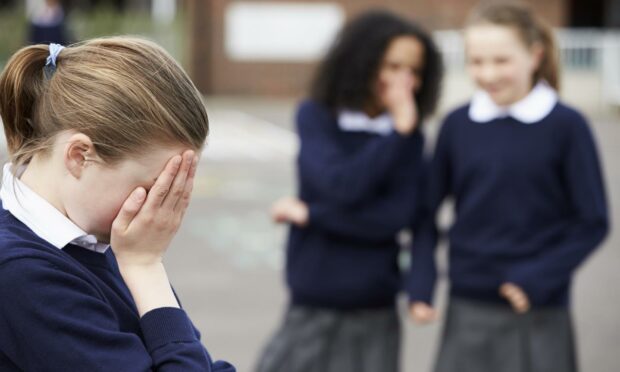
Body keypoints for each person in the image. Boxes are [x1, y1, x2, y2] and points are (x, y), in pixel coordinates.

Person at [0, 37, 235, 371]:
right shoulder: (21, 274)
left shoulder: (97, 238)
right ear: (80, 156)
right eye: (154, 188)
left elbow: (188, 358)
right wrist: (145, 268)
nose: (162, 211)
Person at [407, 3, 609, 372]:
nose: (487, 74)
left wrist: (538, 278)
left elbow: (593, 221)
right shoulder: (457, 125)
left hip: (538, 307)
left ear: (535, 55)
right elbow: (425, 211)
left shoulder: (567, 127)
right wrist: (421, 283)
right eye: (476, 62)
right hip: (467, 305)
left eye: (501, 61)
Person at [256, 10, 442, 372]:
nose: (404, 82)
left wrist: (313, 215)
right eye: (391, 66)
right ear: (361, 63)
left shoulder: (411, 138)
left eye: (414, 71)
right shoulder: (317, 117)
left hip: (375, 305)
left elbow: (399, 218)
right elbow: (341, 187)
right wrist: (397, 134)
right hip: (314, 298)